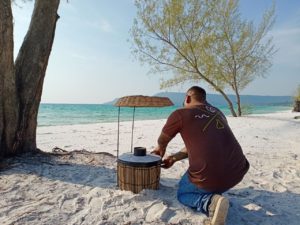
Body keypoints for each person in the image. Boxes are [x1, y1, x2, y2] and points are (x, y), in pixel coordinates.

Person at [152, 86, 249, 225]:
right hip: (238, 171)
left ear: (187, 98)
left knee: (184, 194)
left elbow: (162, 140)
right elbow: (202, 143)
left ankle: (210, 203)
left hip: (212, 176)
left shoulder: (180, 113)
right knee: (191, 179)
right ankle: (214, 193)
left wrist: (160, 148)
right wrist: (173, 158)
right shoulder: (218, 112)